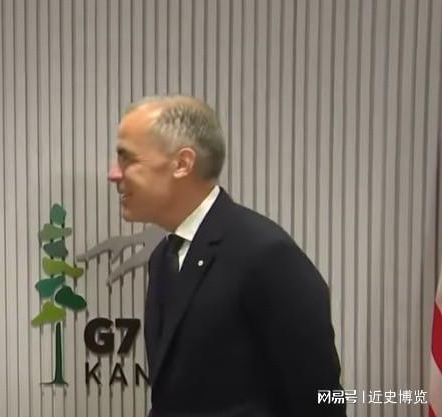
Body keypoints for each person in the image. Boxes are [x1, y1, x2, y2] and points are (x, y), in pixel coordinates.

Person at [107, 95, 345, 416]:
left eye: (127, 159)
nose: (114, 174)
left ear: (182, 163)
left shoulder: (266, 255)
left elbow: (320, 399)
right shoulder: (164, 257)